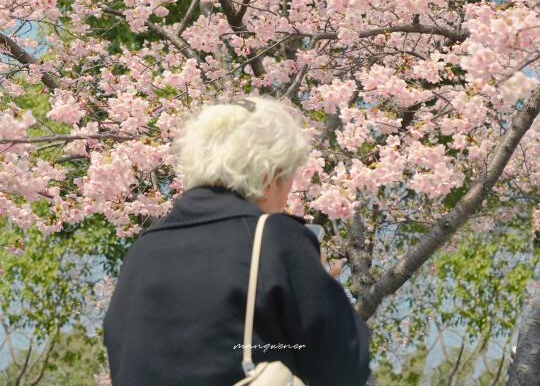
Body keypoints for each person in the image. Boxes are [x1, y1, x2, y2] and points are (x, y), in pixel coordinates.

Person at [103, 95, 371, 385]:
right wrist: (321, 283)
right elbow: (346, 365)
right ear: (271, 174)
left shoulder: (143, 251)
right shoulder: (276, 239)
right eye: (289, 177)